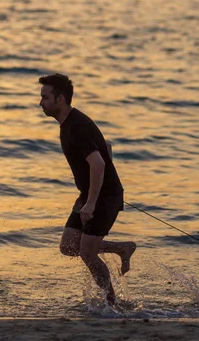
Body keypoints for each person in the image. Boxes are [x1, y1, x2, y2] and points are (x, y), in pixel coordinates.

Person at [38, 73, 136, 306]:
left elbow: (99, 163)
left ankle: (111, 304)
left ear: (60, 99)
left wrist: (92, 202)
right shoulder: (70, 123)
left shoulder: (76, 126)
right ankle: (122, 248)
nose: (40, 103)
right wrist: (87, 195)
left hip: (103, 197)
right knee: (69, 246)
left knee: (87, 252)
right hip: (94, 193)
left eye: (45, 97)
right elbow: (106, 148)